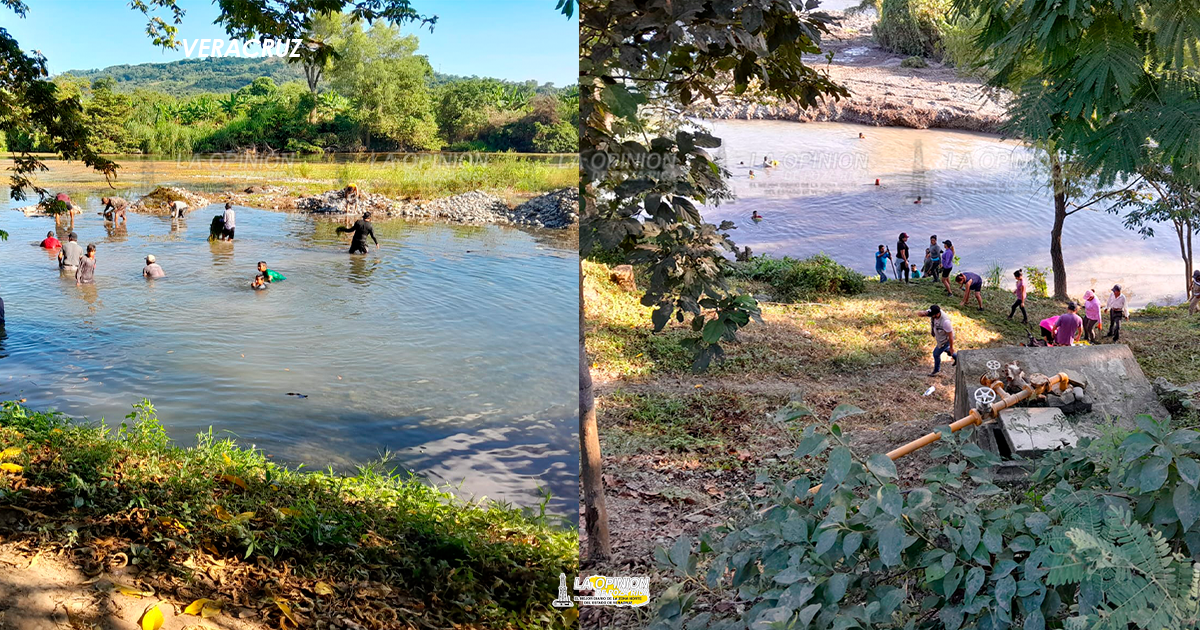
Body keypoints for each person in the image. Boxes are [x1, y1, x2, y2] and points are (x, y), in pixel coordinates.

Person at [919, 304, 956, 377]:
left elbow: (950, 336)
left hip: (945, 339)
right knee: (946, 349)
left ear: (938, 313)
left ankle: (936, 370)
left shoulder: (945, 322)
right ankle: (957, 357)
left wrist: (952, 347)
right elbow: (920, 314)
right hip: (940, 337)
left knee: (936, 354)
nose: (932, 317)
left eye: (934, 315)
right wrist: (923, 313)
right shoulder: (933, 312)